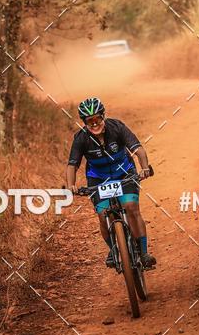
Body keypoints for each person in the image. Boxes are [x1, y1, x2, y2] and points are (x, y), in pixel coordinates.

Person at [66, 96, 157, 269]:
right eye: (89, 121)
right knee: (103, 215)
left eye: (97, 119)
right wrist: (71, 185)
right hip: (98, 179)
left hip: (124, 173)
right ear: (84, 122)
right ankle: (114, 248)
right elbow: (72, 165)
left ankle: (144, 253)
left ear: (103, 116)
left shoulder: (117, 127)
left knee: (130, 206)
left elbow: (138, 150)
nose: (94, 124)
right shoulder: (81, 138)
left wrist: (144, 168)